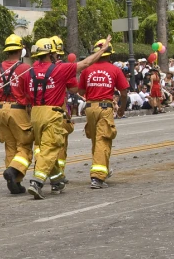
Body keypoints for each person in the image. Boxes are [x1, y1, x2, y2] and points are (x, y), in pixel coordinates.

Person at [18, 36, 110, 199]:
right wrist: (102, 50)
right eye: (54, 53)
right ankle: (37, 182)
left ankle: (57, 180)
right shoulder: (60, 69)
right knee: (51, 147)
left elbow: (25, 94)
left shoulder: (28, 72)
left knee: (45, 146)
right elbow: (86, 63)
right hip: (52, 113)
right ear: (50, 54)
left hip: (35, 113)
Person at [78, 40, 129, 189]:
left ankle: (101, 169)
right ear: (109, 55)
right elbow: (124, 92)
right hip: (105, 108)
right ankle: (98, 177)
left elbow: (81, 91)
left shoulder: (87, 70)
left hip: (90, 108)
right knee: (103, 140)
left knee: (96, 140)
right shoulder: (114, 70)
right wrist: (121, 108)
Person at [0, 34, 32, 195]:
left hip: (0, 109)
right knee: (25, 146)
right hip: (18, 110)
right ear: (20, 50)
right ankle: (14, 171)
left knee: (10, 146)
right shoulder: (25, 69)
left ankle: (14, 182)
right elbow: (30, 94)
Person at [50, 36, 73, 185]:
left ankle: (44, 168)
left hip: (38, 110)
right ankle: (58, 174)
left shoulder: (36, 68)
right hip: (58, 108)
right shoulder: (62, 68)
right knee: (60, 142)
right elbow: (74, 88)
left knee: (43, 144)